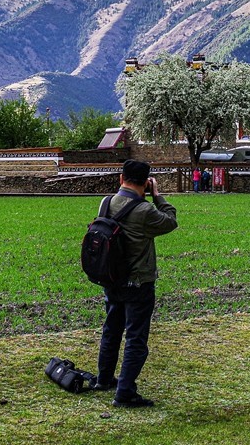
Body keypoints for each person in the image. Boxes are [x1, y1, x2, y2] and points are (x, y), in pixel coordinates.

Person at [92, 159, 179, 408]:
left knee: (112, 330)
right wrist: (158, 196)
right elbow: (170, 221)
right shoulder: (145, 211)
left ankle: (104, 379)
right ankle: (125, 392)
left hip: (111, 277)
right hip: (138, 282)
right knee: (136, 338)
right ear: (146, 183)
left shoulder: (106, 203)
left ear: (121, 178)